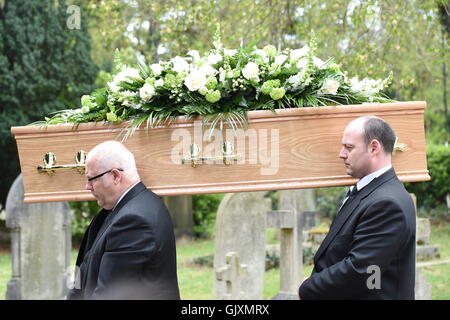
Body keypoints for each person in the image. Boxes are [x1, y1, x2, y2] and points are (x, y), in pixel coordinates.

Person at [299, 116, 416, 300]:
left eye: (349, 147)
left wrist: (308, 287)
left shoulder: (386, 203)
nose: (341, 154)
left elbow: (361, 271)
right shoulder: (368, 191)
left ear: (374, 148)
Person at [67, 140, 180, 300]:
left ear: (115, 176)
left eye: (92, 179)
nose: (88, 186)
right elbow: (85, 264)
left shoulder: (134, 221)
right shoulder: (124, 208)